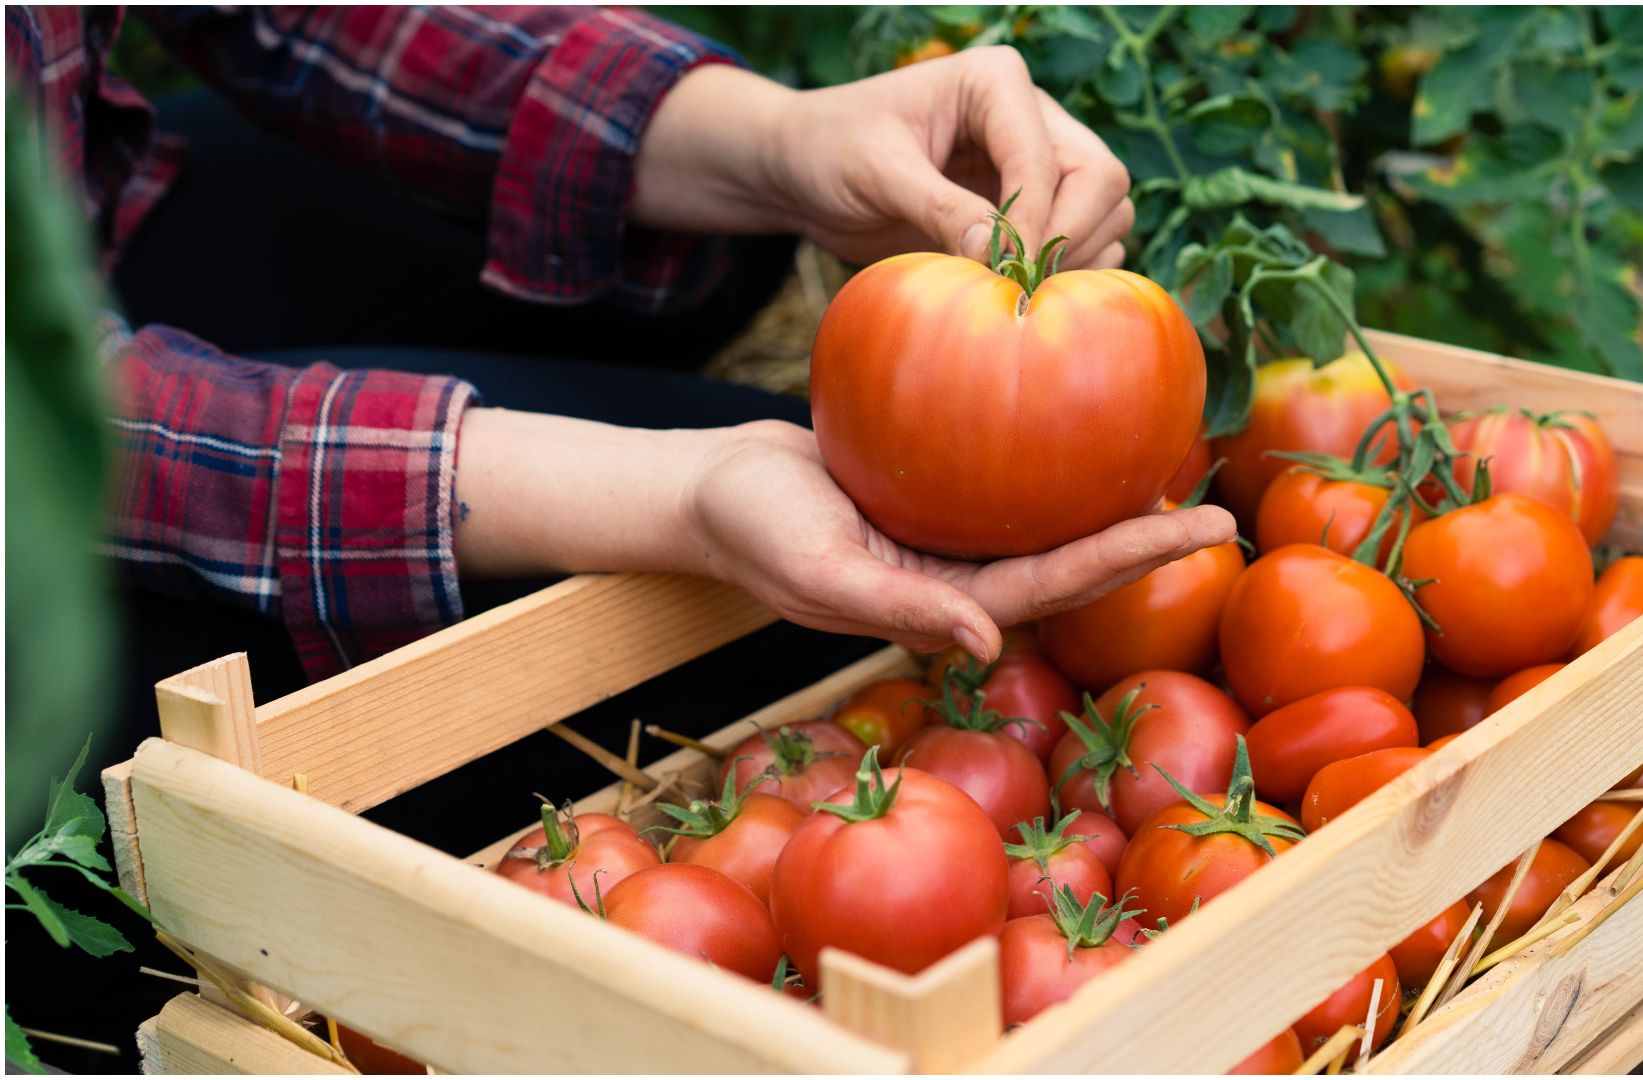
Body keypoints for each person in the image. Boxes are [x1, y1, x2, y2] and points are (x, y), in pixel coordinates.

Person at [8, 5, 1231, 681]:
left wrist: (781, 142)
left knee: (720, 216)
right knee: (739, 632)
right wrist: (675, 497)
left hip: (65, 210)